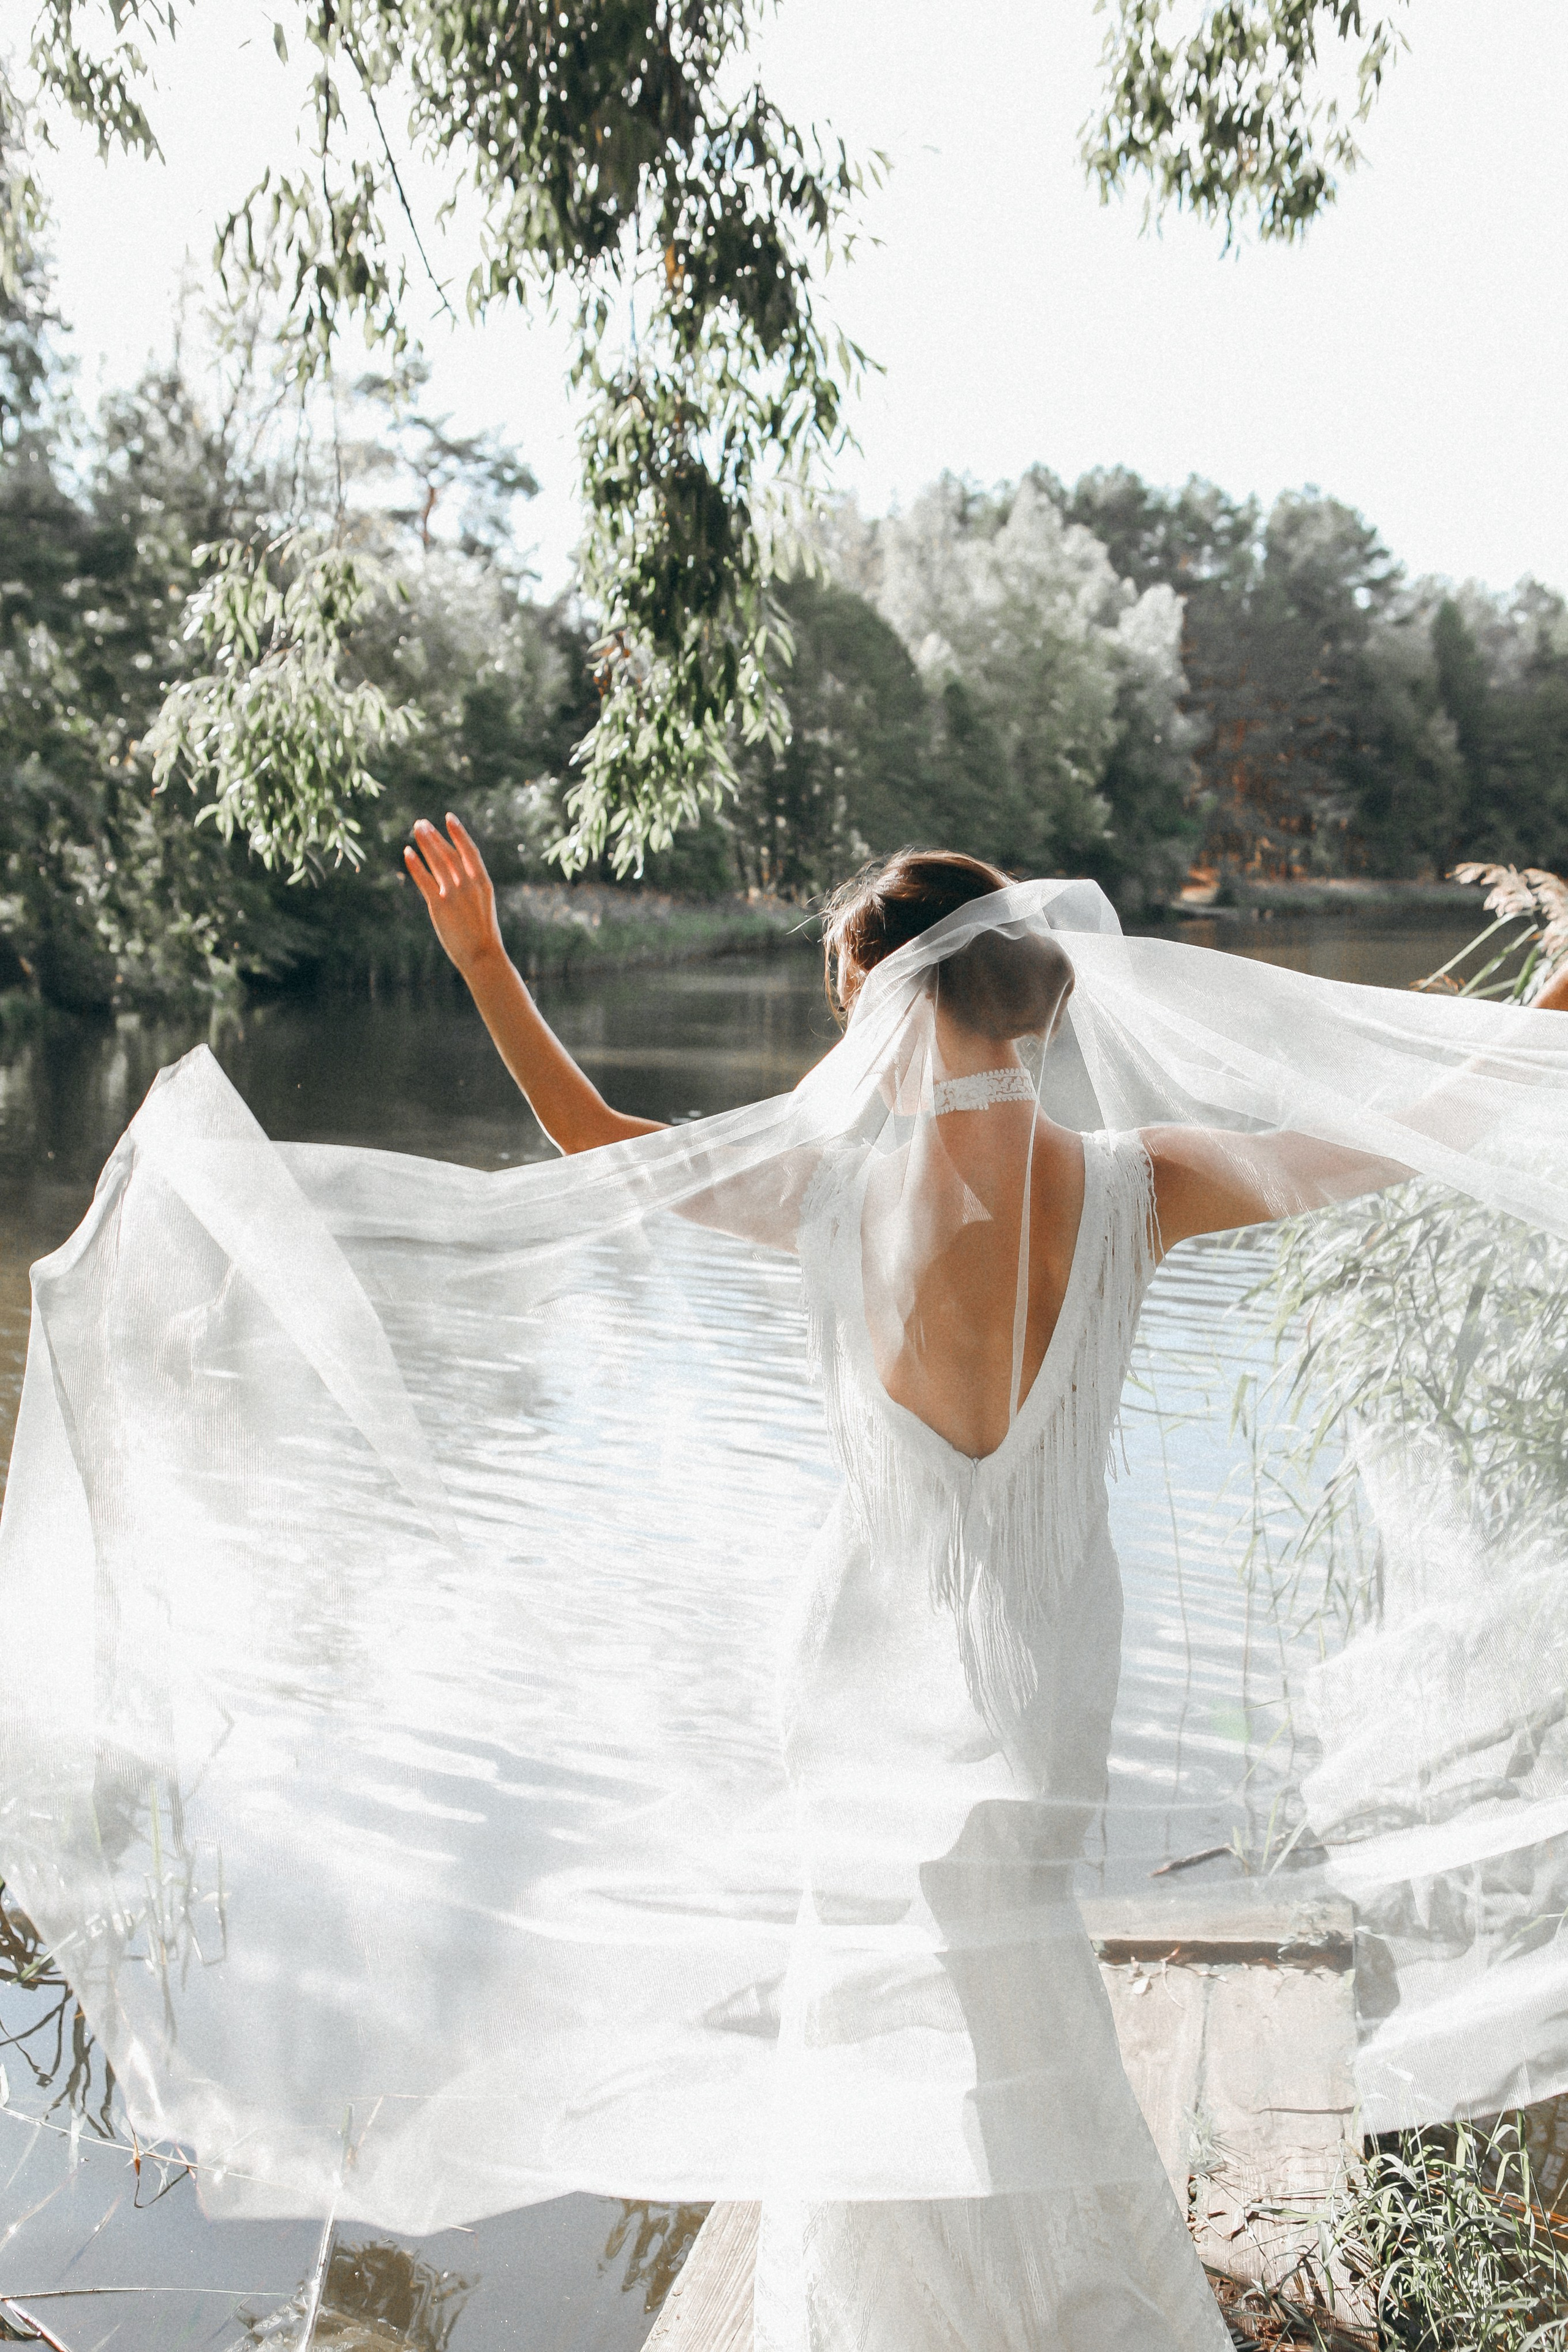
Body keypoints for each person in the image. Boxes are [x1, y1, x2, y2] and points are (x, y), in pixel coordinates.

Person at [400, 816, 1417, 2350]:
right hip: (1048, 1657)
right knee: (1024, 1977)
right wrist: (1543, 1021)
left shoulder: (822, 1193)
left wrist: (484, 962)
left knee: (872, 1983)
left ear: (892, 1004)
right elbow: (1367, 1150)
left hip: (860, 1663)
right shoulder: (1140, 1185)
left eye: (848, 1001)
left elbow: (591, 1133)